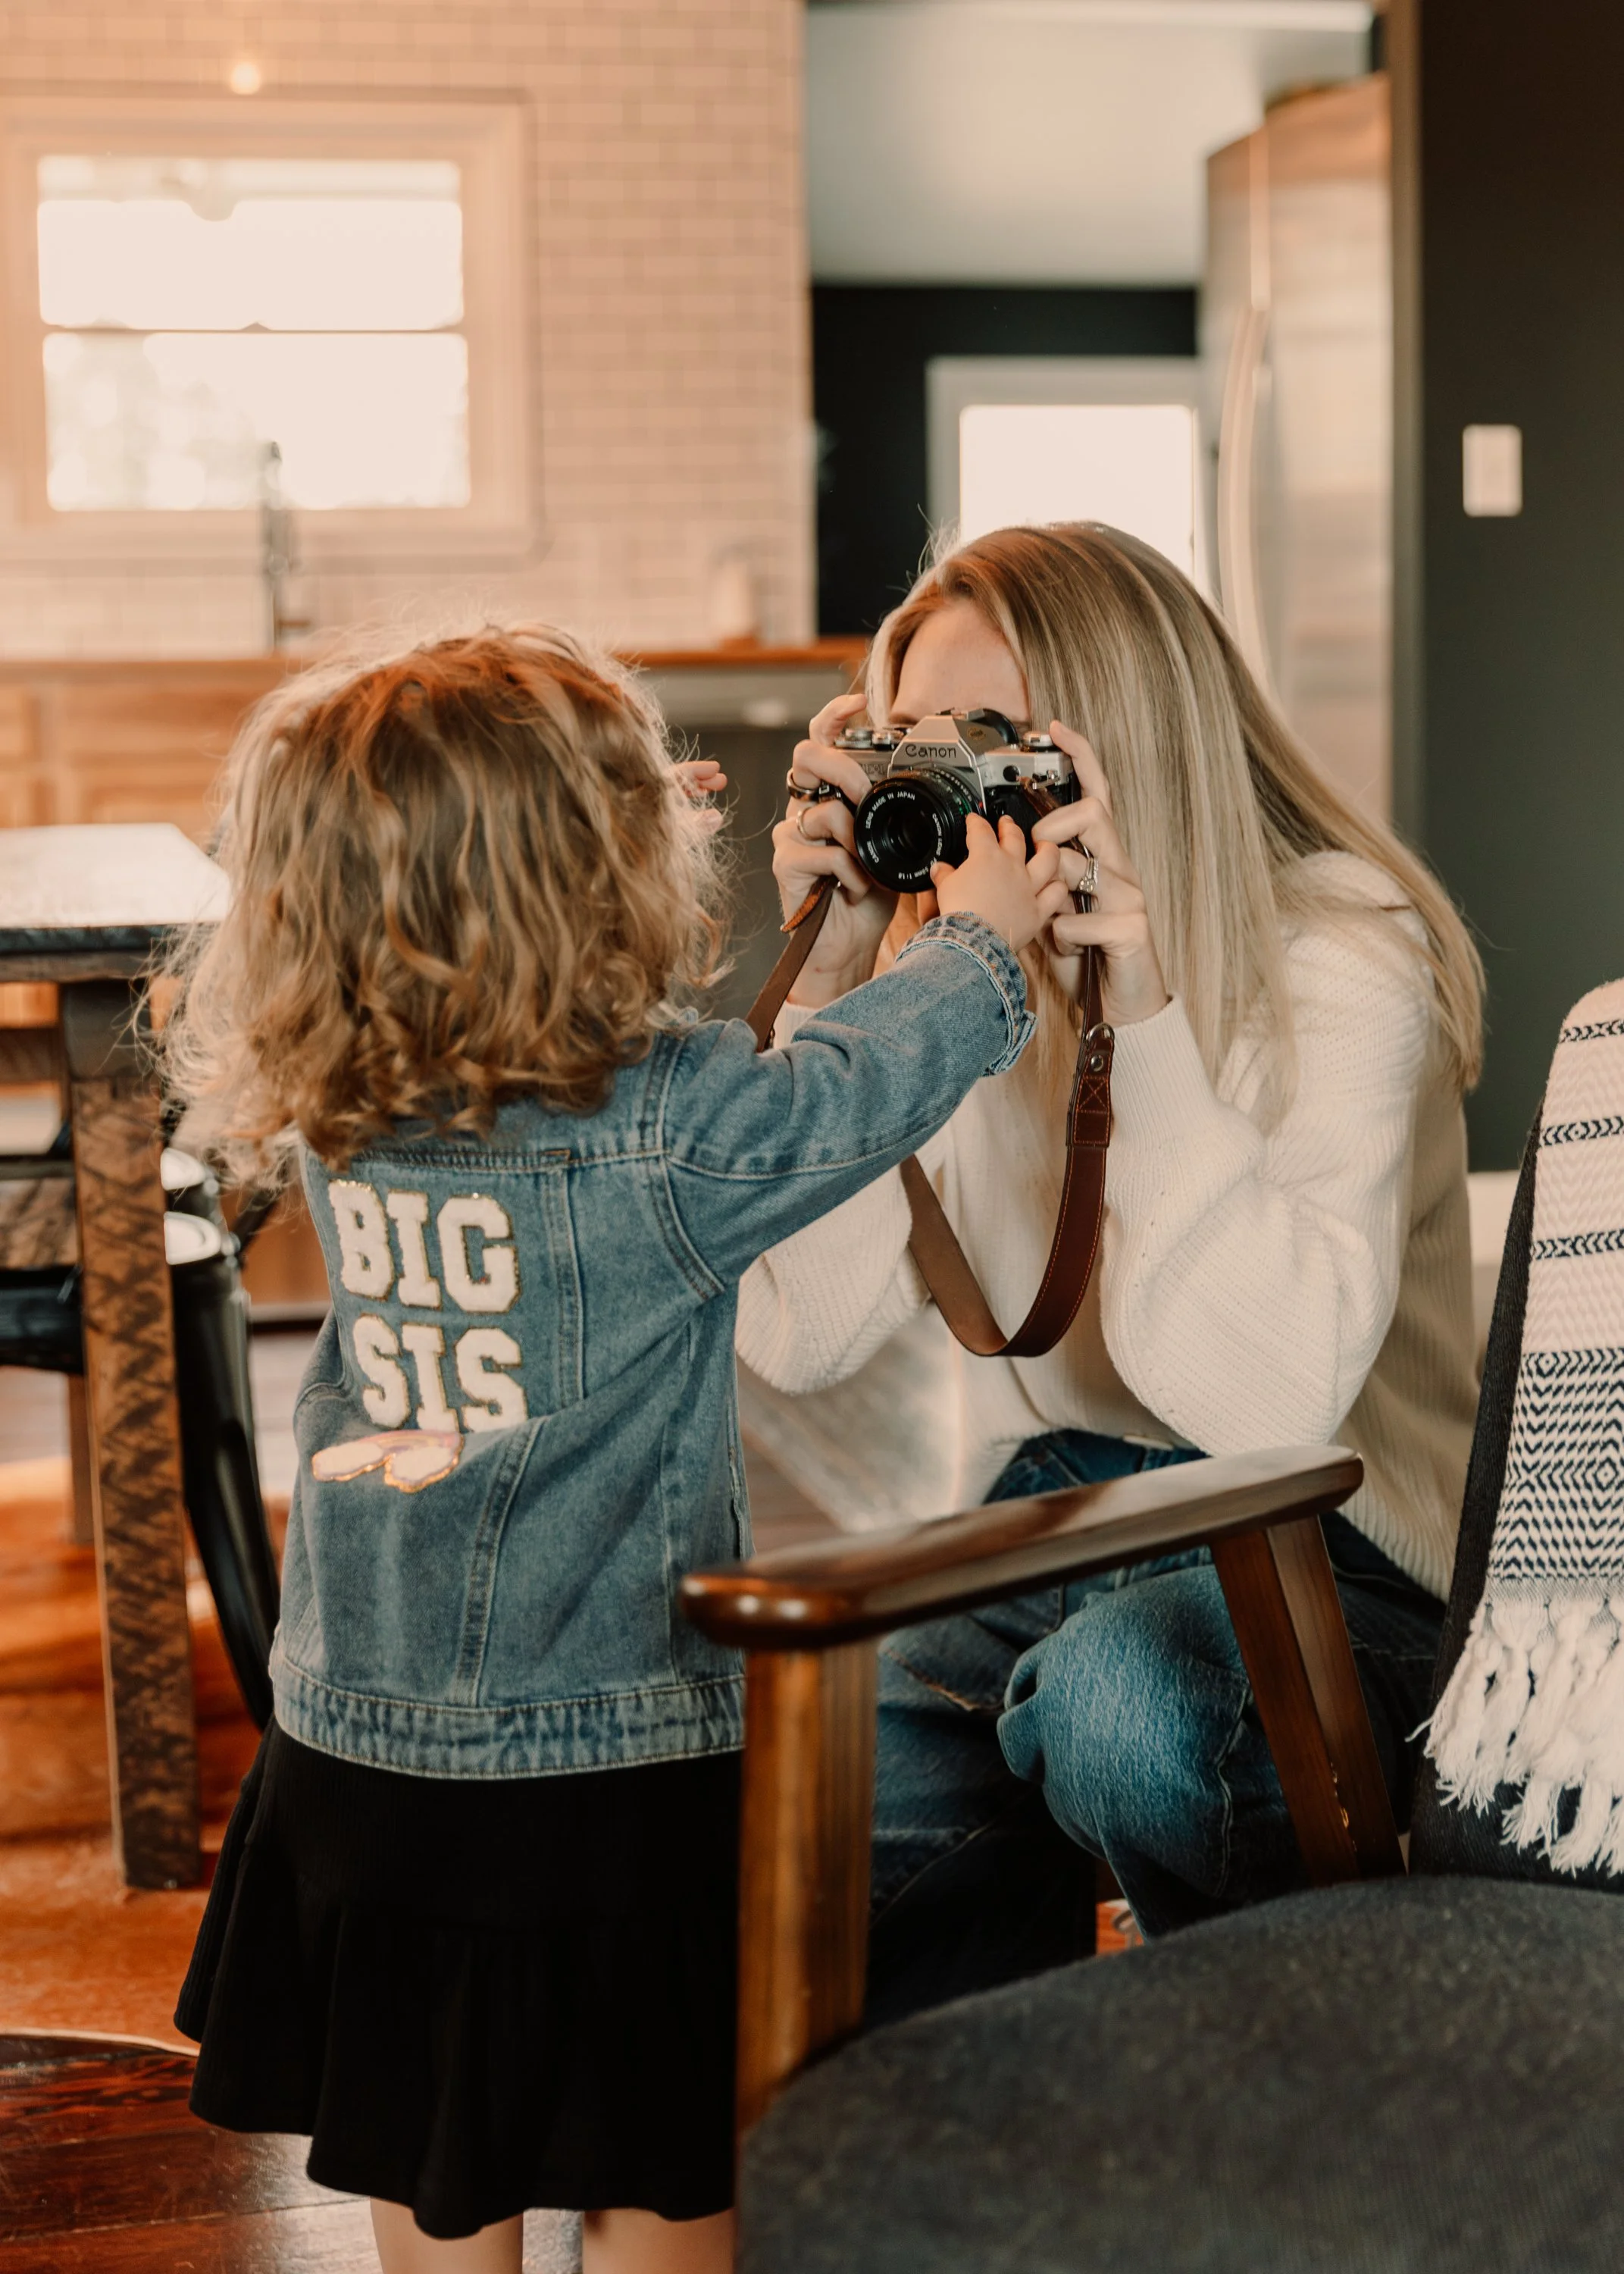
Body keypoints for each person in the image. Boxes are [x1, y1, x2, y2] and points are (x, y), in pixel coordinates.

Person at [164, 622, 1067, 2273]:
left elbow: (622, 1108)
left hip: (355, 1740)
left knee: (442, 2148)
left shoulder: (352, 1100)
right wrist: (986, 948)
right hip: (601, 1768)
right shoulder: (670, 1130)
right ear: (583, 881)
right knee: (661, 2160)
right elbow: (839, 1099)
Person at [737, 522, 1485, 2010]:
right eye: (916, 753)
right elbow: (800, 1335)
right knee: (827, 1754)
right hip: (1062, 1517)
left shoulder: (1344, 951)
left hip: (1335, 1550)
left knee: (1134, 1703)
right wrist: (833, 1002)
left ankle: (1263, 2092)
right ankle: (968, 2158)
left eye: (993, 749)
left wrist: (1136, 1020)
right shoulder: (950, 967)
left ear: (1122, 738)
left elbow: (1267, 1408)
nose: (960, 810)